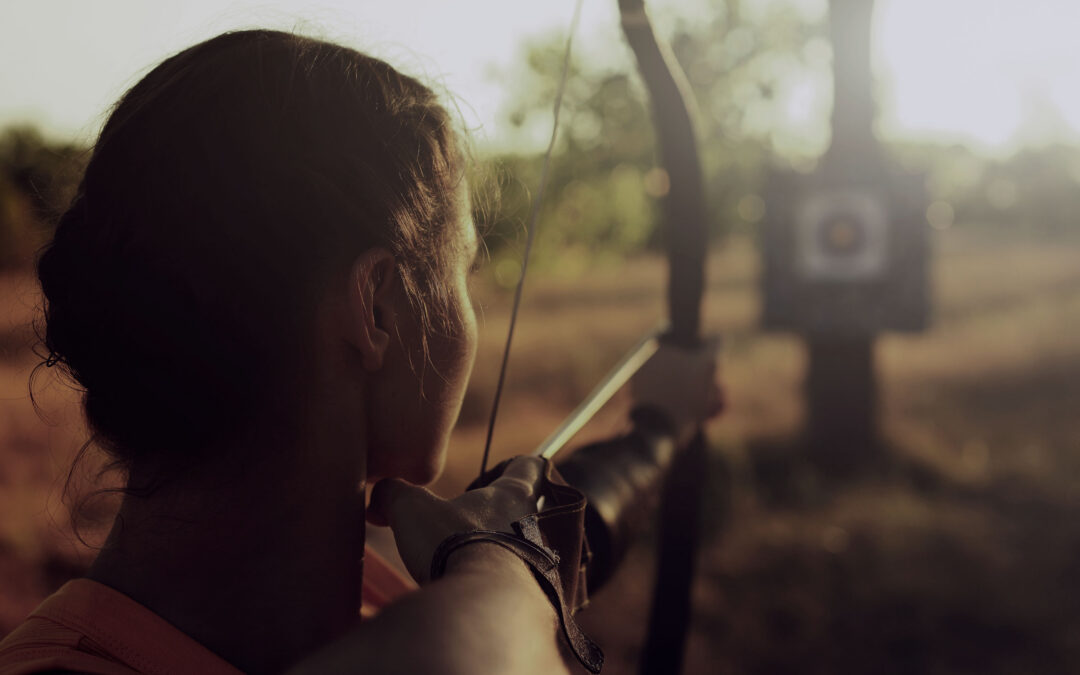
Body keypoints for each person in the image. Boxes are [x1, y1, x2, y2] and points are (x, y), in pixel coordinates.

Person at [0, 30, 720, 675]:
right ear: (375, 306)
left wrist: (656, 428)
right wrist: (504, 565)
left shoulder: (397, 605)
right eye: (464, 270)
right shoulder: (471, 621)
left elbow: (570, 541)